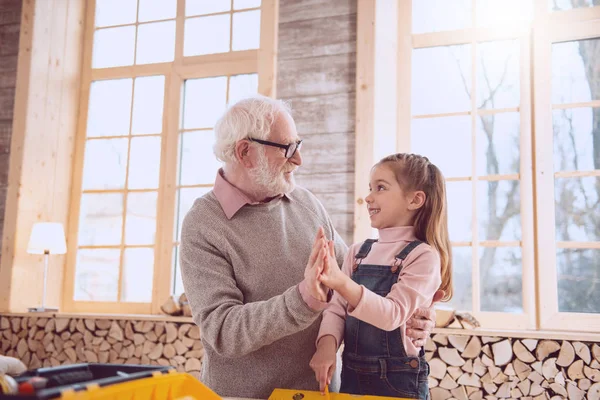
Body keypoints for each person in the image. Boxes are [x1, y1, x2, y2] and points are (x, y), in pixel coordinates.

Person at [179, 96, 439, 400]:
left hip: (321, 393)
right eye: (287, 148)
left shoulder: (305, 203)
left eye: (298, 145)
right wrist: (303, 300)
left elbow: (352, 282)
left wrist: (416, 311)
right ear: (245, 152)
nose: (299, 159)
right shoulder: (203, 223)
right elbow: (223, 331)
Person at [310, 153, 453, 400]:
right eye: (370, 188)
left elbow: (392, 315)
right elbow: (336, 309)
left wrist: (342, 282)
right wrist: (327, 345)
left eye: (381, 187)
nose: (368, 197)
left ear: (415, 199)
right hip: (352, 378)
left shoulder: (423, 256)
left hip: (399, 385)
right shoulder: (358, 252)